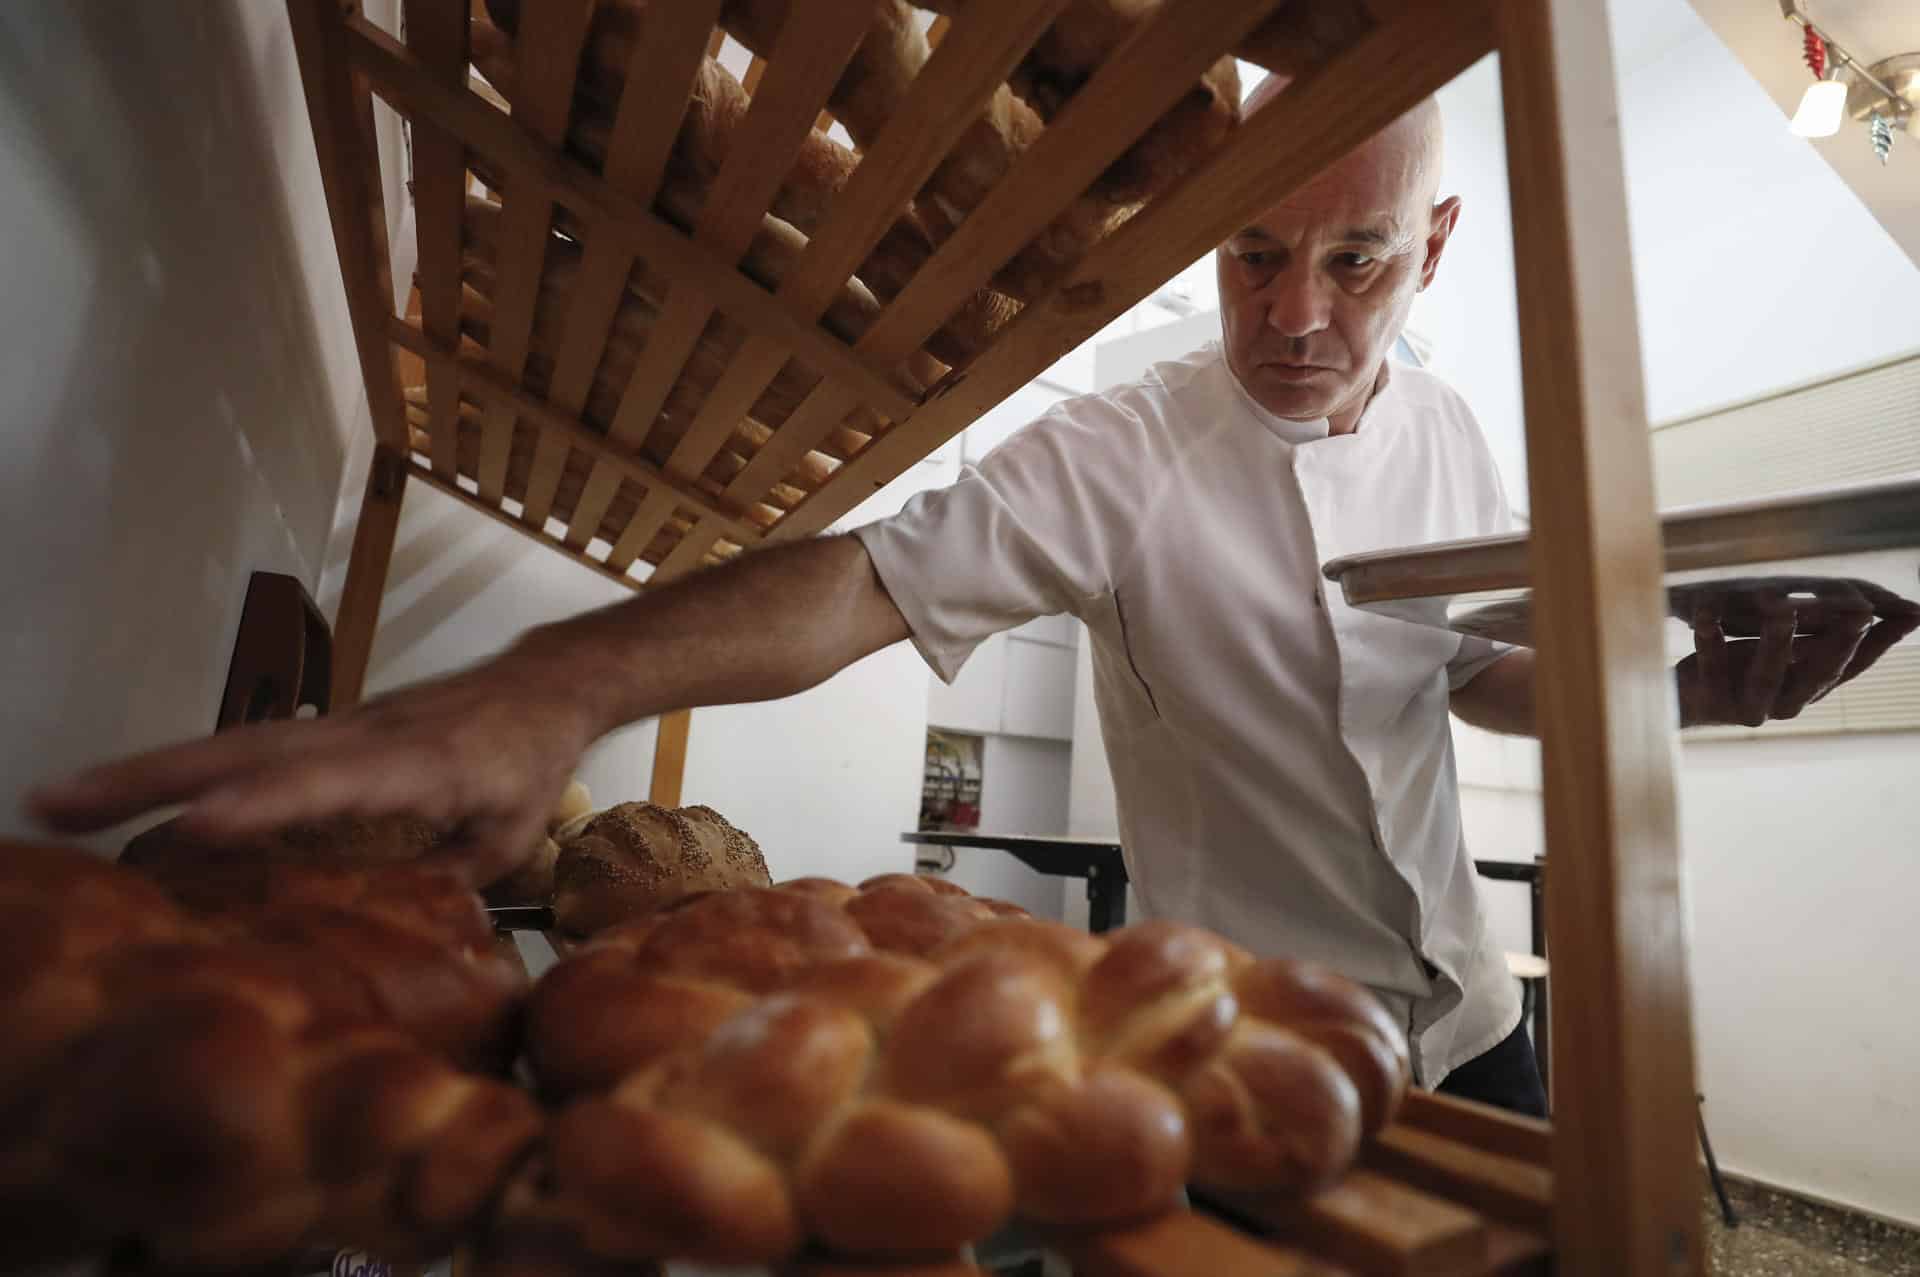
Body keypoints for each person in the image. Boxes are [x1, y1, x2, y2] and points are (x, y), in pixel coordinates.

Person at [28, 84, 1914, 1116]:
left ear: (1429, 244)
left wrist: (1673, 689)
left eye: (1352, 260)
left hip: (1475, 1037)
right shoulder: (1119, 447)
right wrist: (559, 679)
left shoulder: (1460, 438)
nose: (1294, 317)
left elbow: (1480, 682)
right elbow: (855, 587)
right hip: (1234, 1049)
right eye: (1255, 255)